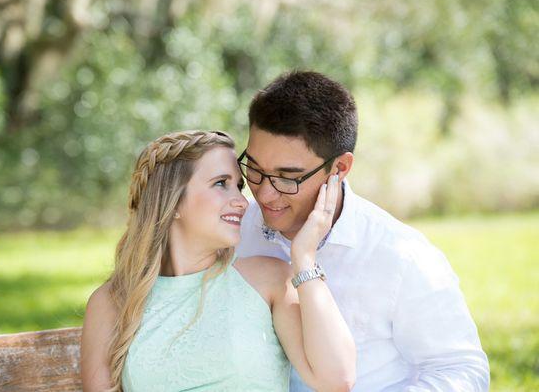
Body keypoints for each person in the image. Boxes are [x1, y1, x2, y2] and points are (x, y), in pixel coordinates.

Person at [236, 71, 490, 391]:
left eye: (288, 178)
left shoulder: (402, 256)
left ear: (340, 168)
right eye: (255, 170)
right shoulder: (231, 232)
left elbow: (461, 371)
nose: (264, 194)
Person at [80, 130, 356, 391]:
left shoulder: (268, 279)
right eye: (221, 184)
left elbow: (337, 380)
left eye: (239, 186)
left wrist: (304, 258)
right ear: (173, 202)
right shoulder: (112, 302)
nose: (242, 201)